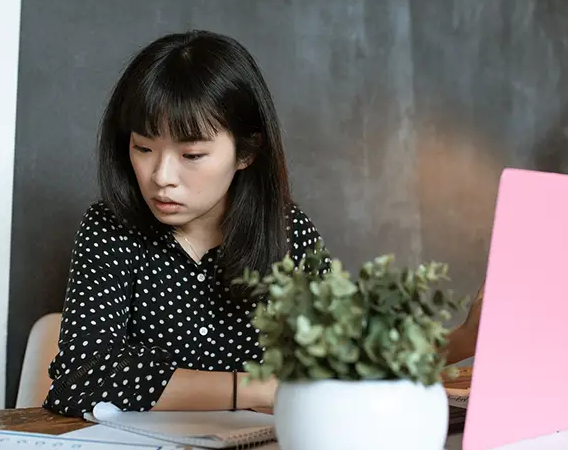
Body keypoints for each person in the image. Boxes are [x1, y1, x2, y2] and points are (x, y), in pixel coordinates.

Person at [42, 30, 482, 418]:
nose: (162, 176)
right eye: (143, 148)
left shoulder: (289, 234)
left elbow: (347, 361)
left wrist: (463, 339)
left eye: (192, 155)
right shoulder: (110, 228)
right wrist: (254, 388)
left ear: (247, 153)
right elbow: (81, 377)